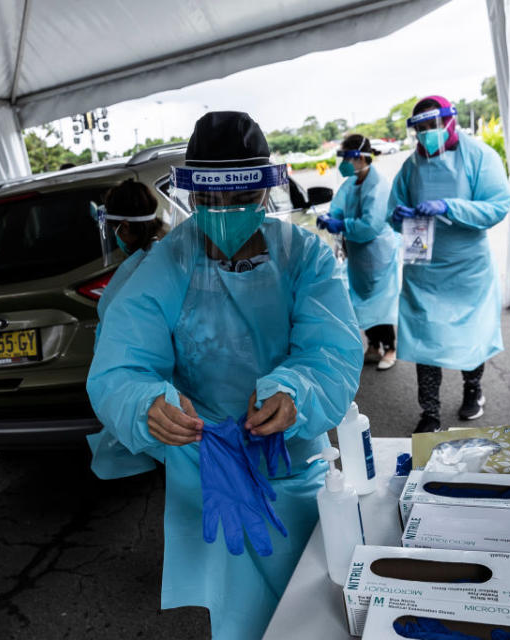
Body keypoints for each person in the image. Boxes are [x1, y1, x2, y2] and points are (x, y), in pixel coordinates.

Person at [87, 111, 363, 639]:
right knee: (240, 609)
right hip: (208, 460)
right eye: (211, 202)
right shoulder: (166, 265)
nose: (226, 214)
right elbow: (121, 363)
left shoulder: (303, 257)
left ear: (265, 194)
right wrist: (148, 404)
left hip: (293, 452)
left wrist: (295, 392)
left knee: (317, 597)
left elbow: (332, 349)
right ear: (191, 197)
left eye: (240, 201)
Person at [388, 95, 510, 433]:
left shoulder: (480, 157)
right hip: (424, 267)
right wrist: (396, 215)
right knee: (425, 341)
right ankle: (430, 411)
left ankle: (473, 390)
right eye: (421, 128)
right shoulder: (411, 166)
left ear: (450, 121)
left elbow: (498, 206)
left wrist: (450, 206)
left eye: (433, 125)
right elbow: (393, 208)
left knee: (470, 336)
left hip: (466, 267)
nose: (428, 133)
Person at [86, 179, 165, 480]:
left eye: (112, 226)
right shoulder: (167, 255)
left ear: (126, 229)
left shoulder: (136, 275)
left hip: (158, 396)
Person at [317, 134, 401, 371]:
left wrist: (343, 225)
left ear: (360, 157)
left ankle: (390, 348)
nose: (344, 163)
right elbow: (338, 207)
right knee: (363, 302)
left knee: (381, 304)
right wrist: (330, 217)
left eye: (347, 158)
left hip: (378, 253)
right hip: (359, 255)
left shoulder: (378, 185)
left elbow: (371, 224)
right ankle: (374, 346)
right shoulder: (351, 184)